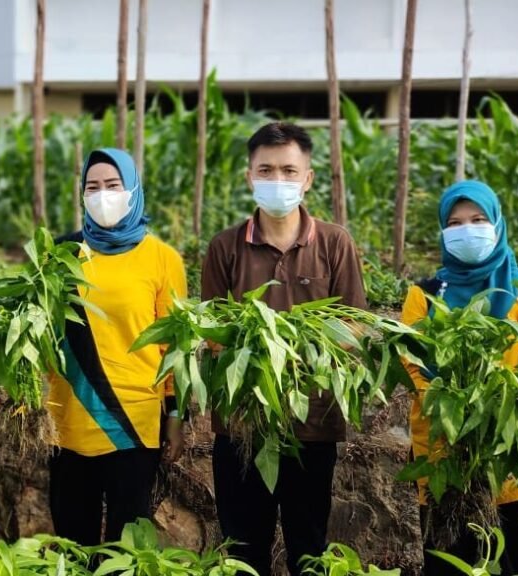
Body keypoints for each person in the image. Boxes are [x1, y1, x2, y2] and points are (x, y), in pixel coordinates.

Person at [202, 122, 366, 575]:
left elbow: (353, 327)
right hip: (241, 426)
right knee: (242, 550)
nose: (279, 180)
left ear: (308, 178)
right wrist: (254, 349)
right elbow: (212, 334)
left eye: (289, 171)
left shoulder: (334, 243)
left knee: (308, 550)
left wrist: (296, 349)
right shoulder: (224, 248)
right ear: (249, 177)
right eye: (267, 170)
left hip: (311, 424)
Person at [401, 180, 518, 576]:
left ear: (496, 222)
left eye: (477, 219)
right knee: (447, 563)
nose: (467, 230)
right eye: (455, 223)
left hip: (509, 461)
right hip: (443, 459)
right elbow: (413, 363)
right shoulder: (423, 296)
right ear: (443, 230)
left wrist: (494, 403)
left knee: (509, 561)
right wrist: (456, 411)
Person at [48, 147, 186, 546]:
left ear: (133, 189)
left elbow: (175, 344)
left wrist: (176, 414)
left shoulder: (162, 258)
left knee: (126, 547)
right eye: (92, 187)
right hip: (69, 417)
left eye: (113, 185)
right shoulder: (61, 253)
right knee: (74, 542)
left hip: (134, 422)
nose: (102, 195)